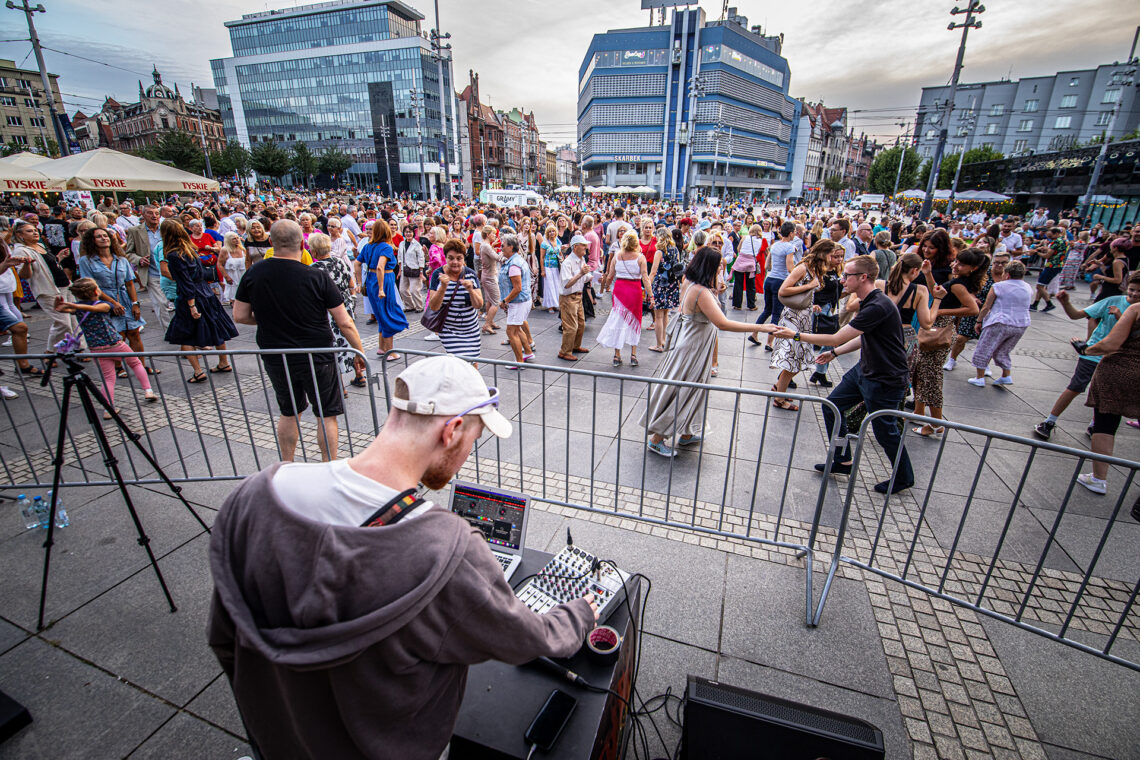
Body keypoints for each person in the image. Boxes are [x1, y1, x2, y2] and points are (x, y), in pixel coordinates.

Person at [207, 355, 597, 760]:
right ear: (452, 430)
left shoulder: (254, 496)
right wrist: (577, 616)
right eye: (473, 440)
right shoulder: (445, 548)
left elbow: (223, 636)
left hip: (278, 739)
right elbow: (525, 639)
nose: (467, 455)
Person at [774, 254, 916, 495]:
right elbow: (863, 337)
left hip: (884, 377)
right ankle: (842, 460)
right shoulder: (871, 302)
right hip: (865, 370)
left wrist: (796, 335)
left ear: (863, 277)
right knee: (833, 405)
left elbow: (835, 337)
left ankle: (903, 476)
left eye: (846, 275)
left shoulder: (878, 305)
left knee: (885, 430)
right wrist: (835, 354)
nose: (841, 279)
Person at [235, 220, 366, 462]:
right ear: (303, 244)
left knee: (289, 412)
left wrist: (269, 320)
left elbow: (240, 315)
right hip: (317, 354)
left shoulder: (254, 273)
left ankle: (287, 464)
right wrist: (359, 353)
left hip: (276, 355)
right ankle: (328, 466)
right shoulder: (315, 276)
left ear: (271, 243)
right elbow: (344, 322)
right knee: (326, 414)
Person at [644, 247, 780, 457]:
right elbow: (722, 323)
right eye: (718, 267)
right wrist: (761, 328)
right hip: (693, 347)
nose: (720, 271)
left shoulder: (692, 284)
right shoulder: (701, 291)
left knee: (694, 390)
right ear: (709, 267)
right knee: (684, 391)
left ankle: (688, 433)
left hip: (694, 344)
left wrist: (717, 290)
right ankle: (657, 439)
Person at [1033, 273, 1140, 440]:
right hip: (1094, 353)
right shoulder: (1113, 300)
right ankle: (1049, 421)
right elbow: (1076, 315)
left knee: (1105, 396)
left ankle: (1095, 426)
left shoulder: (1136, 311)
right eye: (1132, 290)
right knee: (1076, 386)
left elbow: (1132, 335)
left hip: (1117, 360)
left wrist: (1119, 316)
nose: (1134, 294)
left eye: (1139, 292)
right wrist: (1066, 302)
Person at [55, 278, 157, 415]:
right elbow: (95, 308)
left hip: (96, 348)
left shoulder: (79, 308)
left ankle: (108, 409)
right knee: (135, 363)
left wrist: (72, 306)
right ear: (96, 291)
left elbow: (74, 308)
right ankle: (148, 390)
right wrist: (65, 306)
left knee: (108, 378)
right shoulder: (104, 305)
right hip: (114, 343)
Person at [162, 220, 238, 382]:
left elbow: (185, 281)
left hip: (191, 297)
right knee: (215, 326)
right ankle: (223, 362)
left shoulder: (174, 255)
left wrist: (191, 305)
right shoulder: (191, 250)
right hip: (205, 293)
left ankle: (198, 371)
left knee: (185, 334)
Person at [1077, 300, 1140, 494]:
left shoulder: (1136, 309)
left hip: (1120, 371)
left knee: (1105, 423)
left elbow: (1112, 343)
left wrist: (1087, 349)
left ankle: (1098, 479)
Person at [77, 226, 154, 376]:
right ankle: (119, 367)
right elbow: (91, 286)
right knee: (116, 335)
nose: (103, 238)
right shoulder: (86, 261)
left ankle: (141, 366)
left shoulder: (121, 260)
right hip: (102, 300)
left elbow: (130, 283)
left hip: (124, 298)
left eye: (105, 236)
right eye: (99, 236)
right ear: (92, 241)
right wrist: (113, 303)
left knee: (134, 332)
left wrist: (135, 304)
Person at [769, 240, 834, 409]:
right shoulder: (803, 268)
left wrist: (810, 303)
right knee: (794, 360)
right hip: (794, 319)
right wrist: (809, 285)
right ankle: (779, 399)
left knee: (800, 360)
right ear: (823, 254)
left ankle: (779, 389)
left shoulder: (813, 268)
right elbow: (783, 290)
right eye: (833, 255)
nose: (836, 259)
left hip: (803, 317)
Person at [11, 219, 80, 361]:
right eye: (29, 231)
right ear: (19, 235)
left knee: (74, 320)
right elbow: (24, 275)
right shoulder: (21, 250)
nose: (35, 232)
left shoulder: (40, 245)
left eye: (35, 229)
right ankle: (50, 352)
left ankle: (78, 349)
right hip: (48, 290)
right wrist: (26, 265)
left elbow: (48, 265)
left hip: (64, 285)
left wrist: (59, 258)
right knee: (62, 322)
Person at [309, 232, 366, 391]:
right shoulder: (340, 262)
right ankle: (359, 374)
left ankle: (341, 386)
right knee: (350, 339)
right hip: (345, 306)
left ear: (313, 251)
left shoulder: (313, 269)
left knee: (334, 344)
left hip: (327, 311)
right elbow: (351, 283)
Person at [969, 260, 1033, 386]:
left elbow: (986, 306)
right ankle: (1006, 374)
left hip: (1000, 321)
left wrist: (979, 321)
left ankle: (979, 377)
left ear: (1007, 274)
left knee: (984, 347)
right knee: (1003, 350)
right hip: (1021, 323)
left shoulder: (999, 286)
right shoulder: (1027, 287)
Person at [356, 220, 409, 362]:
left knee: (380, 314)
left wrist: (360, 283)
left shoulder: (368, 246)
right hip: (383, 280)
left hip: (372, 279)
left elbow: (357, 263)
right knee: (388, 314)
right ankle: (389, 351)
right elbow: (380, 266)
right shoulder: (385, 247)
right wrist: (381, 288)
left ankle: (381, 347)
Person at [599, 231, 653, 367]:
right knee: (635, 320)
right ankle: (633, 354)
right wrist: (651, 295)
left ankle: (617, 355)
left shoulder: (617, 256)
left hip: (619, 289)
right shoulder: (640, 258)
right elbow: (645, 278)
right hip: (634, 290)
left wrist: (605, 287)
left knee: (618, 320)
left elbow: (610, 275)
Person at [427, 238, 484, 362]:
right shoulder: (438, 274)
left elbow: (479, 304)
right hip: (449, 330)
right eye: (451, 258)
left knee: (473, 361)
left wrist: (471, 290)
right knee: (459, 362)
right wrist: (442, 287)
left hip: (471, 329)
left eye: (459, 258)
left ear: (464, 258)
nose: (455, 262)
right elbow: (433, 306)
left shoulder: (470, 274)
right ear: (445, 257)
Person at [751, 221, 798, 351]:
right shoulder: (789, 247)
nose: (795, 234)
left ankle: (754, 334)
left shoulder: (775, 245)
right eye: (794, 231)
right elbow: (790, 267)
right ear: (790, 233)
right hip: (780, 281)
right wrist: (799, 274)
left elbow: (766, 266)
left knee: (767, 310)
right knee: (776, 313)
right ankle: (769, 343)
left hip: (769, 279)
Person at [498, 233, 535, 367]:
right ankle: (528, 352)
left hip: (518, 301)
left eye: (503, 245)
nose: (501, 247)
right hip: (522, 300)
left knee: (511, 331)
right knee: (517, 328)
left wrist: (505, 301)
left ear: (511, 247)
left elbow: (517, 288)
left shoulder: (514, 264)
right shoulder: (516, 260)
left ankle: (519, 361)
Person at [557, 235, 592, 361]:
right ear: (575, 247)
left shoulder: (581, 259)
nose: (586, 247)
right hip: (568, 298)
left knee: (581, 324)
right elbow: (567, 283)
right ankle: (564, 352)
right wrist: (581, 273)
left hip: (578, 296)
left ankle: (575, 346)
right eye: (583, 245)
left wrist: (591, 276)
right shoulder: (567, 263)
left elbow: (585, 277)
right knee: (571, 326)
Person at [647, 230, 682, 352]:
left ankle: (659, 344)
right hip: (672, 285)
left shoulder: (659, 252)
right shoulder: (675, 250)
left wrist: (648, 287)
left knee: (658, 316)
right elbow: (677, 269)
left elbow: (653, 272)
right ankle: (664, 341)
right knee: (666, 314)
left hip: (660, 285)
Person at [1029, 226, 1067, 312]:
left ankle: (1049, 304)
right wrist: (1046, 248)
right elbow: (1056, 251)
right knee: (1041, 285)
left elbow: (1047, 256)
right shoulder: (1064, 241)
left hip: (1051, 266)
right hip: (1058, 265)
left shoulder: (1056, 242)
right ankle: (1035, 304)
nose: (1050, 238)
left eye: (1051, 236)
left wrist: (1036, 252)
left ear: (1056, 233)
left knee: (1039, 286)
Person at [731, 224, 764, 310]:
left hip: (741, 261)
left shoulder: (745, 237)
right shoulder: (761, 240)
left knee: (738, 284)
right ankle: (751, 305)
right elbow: (757, 251)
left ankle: (737, 304)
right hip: (751, 262)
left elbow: (738, 249)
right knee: (751, 285)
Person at [478, 225, 504, 333]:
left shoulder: (484, 245)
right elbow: (498, 258)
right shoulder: (486, 246)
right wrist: (504, 249)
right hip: (490, 276)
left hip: (487, 275)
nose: (495, 235)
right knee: (496, 302)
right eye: (493, 233)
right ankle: (487, 324)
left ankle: (490, 321)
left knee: (489, 300)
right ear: (488, 234)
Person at [219, 232, 247, 305]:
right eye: (234, 239)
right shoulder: (225, 250)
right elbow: (220, 264)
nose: (237, 240)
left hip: (243, 275)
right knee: (235, 298)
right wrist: (226, 276)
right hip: (232, 277)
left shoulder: (242, 249)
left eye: (237, 238)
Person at [540, 224, 562, 313]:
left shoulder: (558, 241)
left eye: (553, 231)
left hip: (556, 266)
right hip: (548, 266)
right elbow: (542, 257)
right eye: (549, 231)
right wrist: (542, 270)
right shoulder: (544, 243)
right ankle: (550, 306)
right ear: (547, 233)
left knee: (556, 285)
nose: (551, 233)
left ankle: (556, 304)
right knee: (549, 286)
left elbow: (560, 253)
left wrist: (563, 261)